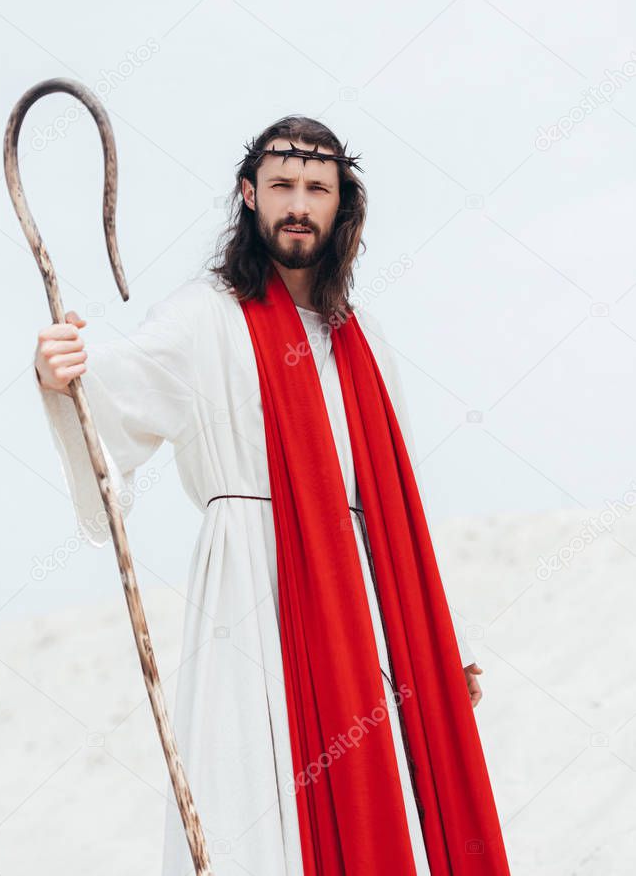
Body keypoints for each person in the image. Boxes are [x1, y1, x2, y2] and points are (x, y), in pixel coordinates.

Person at [33, 116, 509, 874]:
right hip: (251, 596)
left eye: (315, 188)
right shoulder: (205, 312)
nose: (298, 203)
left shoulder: (364, 337)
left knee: (380, 801)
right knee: (249, 802)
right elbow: (122, 386)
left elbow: (397, 507)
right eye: (282, 185)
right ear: (249, 196)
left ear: (340, 205)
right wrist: (68, 373)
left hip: (363, 605)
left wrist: (437, 647)